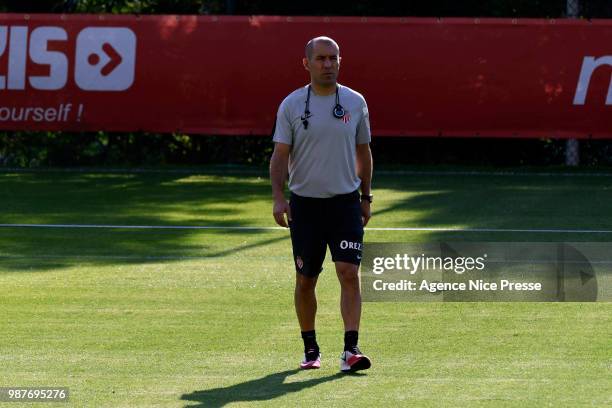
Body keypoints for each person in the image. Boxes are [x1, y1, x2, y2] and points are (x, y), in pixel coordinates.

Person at [269, 36, 373, 372]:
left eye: (333, 58)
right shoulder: (292, 105)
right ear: (307, 63)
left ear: (340, 61)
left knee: (349, 273)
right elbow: (280, 155)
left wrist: (366, 196)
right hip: (305, 207)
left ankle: (351, 349)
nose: (328, 64)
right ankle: (311, 348)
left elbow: (363, 152)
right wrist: (279, 197)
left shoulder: (355, 103)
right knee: (305, 280)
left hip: (345, 205)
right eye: (321, 59)